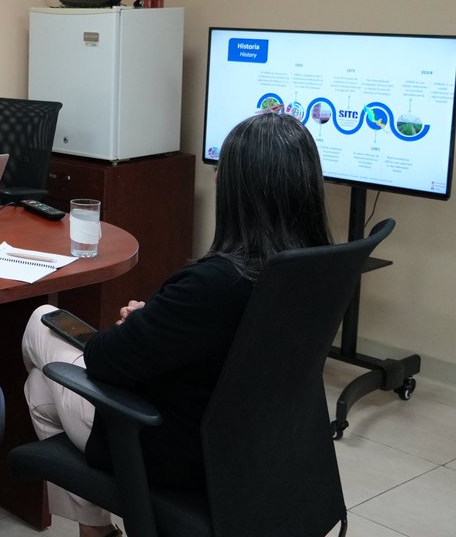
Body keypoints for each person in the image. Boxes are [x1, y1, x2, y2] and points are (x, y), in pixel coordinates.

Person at [20, 112, 331, 537]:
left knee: (41, 323)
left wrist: (142, 326)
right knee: (41, 387)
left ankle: (96, 531)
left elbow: (106, 362)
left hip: (169, 446)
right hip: (264, 452)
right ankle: (94, 532)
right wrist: (160, 323)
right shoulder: (312, 273)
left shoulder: (215, 282)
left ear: (237, 191)